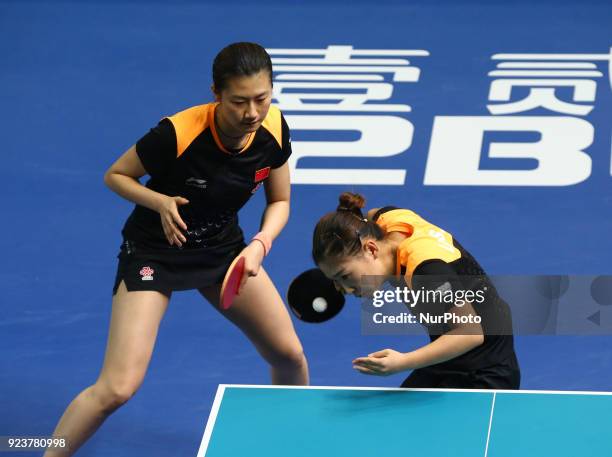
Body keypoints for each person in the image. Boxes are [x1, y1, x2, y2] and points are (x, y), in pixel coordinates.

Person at [45, 42, 308, 456]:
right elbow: (116, 176)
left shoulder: (273, 128)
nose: (251, 113)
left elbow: (280, 201)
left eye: (261, 98)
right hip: (155, 252)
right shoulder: (178, 133)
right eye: (239, 101)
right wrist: (159, 201)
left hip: (223, 251)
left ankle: (293, 441)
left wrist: (260, 244)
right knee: (117, 388)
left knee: (289, 355)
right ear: (216, 93)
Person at [312, 192, 520, 389]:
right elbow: (369, 215)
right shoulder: (383, 220)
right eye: (335, 280)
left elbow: (471, 334)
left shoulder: (426, 270)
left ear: (371, 249)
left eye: (345, 276)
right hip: (447, 357)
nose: (343, 289)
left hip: (485, 368)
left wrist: (403, 362)